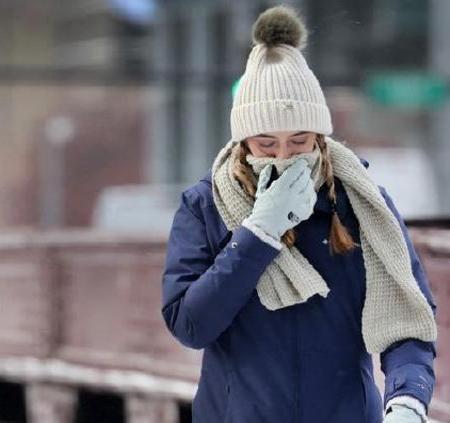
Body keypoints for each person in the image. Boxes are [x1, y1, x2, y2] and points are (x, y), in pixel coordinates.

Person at [161, 6, 436, 423]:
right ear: (243, 141)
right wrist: (258, 235)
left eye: (299, 140)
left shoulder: (362, 205)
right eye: (266, 144)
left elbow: (409, 318)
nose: (285, 156)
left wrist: (407, 401)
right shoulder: (205, 206)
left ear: (320, 137)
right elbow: (191, 325)